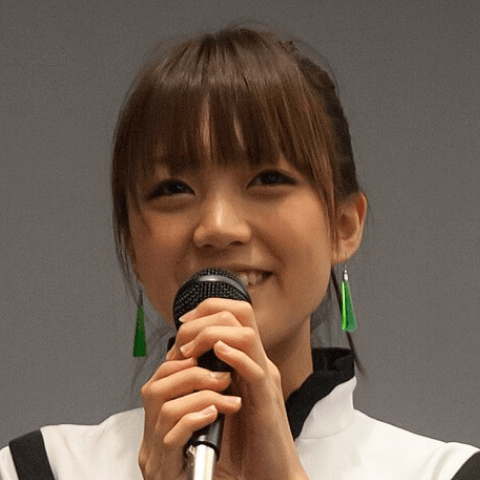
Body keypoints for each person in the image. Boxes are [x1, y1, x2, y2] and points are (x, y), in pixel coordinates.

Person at [1, 24, 479, 480]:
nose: (218, 227)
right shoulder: (39, 469)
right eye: (174, 188)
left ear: (343, 226)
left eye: (268, 179)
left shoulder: (446, 473)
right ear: (131, 242)